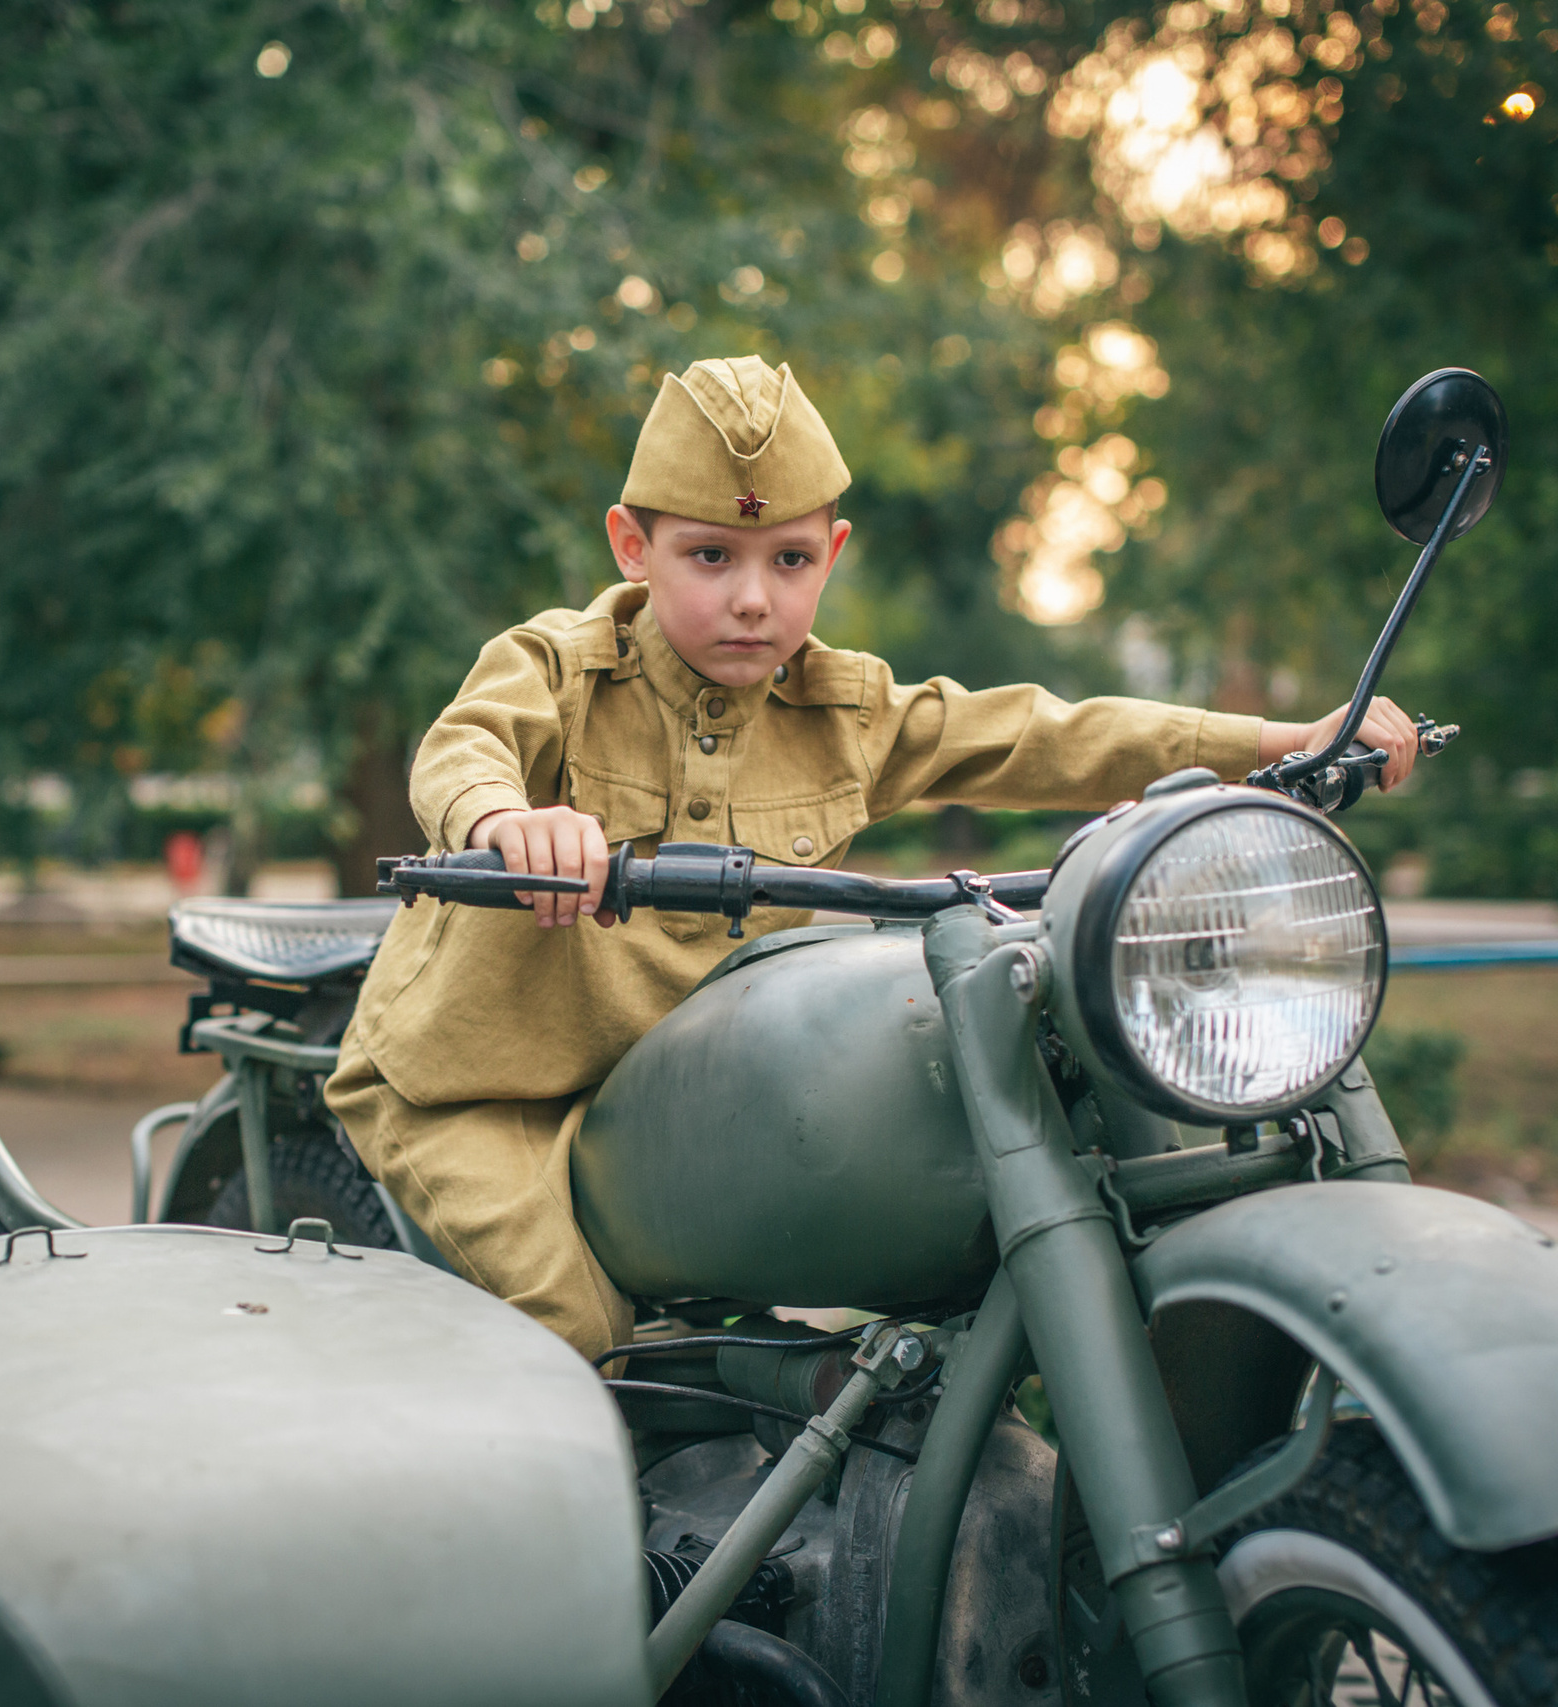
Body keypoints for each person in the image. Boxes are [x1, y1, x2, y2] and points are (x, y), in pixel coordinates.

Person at [324, 355, 1416, 1361]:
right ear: (630, 546)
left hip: (668, 1100)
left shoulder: (843, 714)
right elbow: (466, 746)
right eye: (710, 555)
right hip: (475, 1089)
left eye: (790, 560)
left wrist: (1278, 743)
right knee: (584, 1335)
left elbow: (1037, 733)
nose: (754, 597)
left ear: (832, 555)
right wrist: (505, 821)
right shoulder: (561, 669)